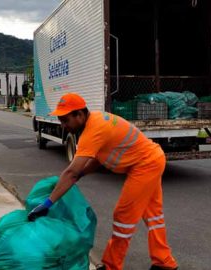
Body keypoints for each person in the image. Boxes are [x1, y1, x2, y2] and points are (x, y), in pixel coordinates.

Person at [28, 93, 178, 270]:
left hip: (145, 165)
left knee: (123, 216)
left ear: (80, 115)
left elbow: (71, 173)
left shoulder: (93, 130)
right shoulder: (95, 122)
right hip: (151, 159)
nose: (64, 125)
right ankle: (164, 262)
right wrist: (81, 174)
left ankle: (111, 266)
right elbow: (98, 159)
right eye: (61, 120)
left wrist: (48, 203)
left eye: (66, 120)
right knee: (154, 216)